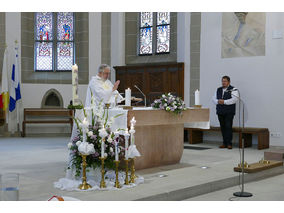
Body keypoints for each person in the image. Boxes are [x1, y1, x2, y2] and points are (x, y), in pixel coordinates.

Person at [212, 76, 239, 149]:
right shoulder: (218, 89)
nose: (223, 82)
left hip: (229, 112)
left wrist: (224, 102)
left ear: (229, 82)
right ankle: (224, 143)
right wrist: (218, 101)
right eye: (222, 81)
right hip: (220, 111)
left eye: (225, 81)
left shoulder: (233, 89)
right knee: (223, 127)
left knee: (228, 127)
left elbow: (234, 99)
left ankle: (229, 143)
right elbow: (213, 98)